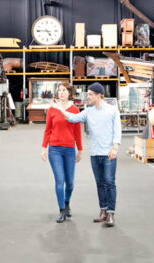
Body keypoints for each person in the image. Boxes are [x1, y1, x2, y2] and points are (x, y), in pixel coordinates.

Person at [51, 82, 121, 227]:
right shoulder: (88, 112)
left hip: (108, 153)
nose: (87, 97)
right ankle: (103, 211)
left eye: (90, 94)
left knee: (109, 182)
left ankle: (111, 213)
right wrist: (60, 109)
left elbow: (117, 130)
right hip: (95, 153)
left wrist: (115, 148)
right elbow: (72, 118)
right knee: (100, 183)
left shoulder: (112, 110)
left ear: (98, 95)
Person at [41, 83, 83, 223]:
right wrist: (44, 148)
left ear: (69, 93)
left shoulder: (75, 110)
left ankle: (66, 203)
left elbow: (77, 131)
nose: (61, 93)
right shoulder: (52, 109)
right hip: (55, 149)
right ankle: (61, 210)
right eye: (59, 90)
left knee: (70, 182)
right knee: (60, 180)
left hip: (70, 149)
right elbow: (47, 130)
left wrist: (80, 150)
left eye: (64, 90)